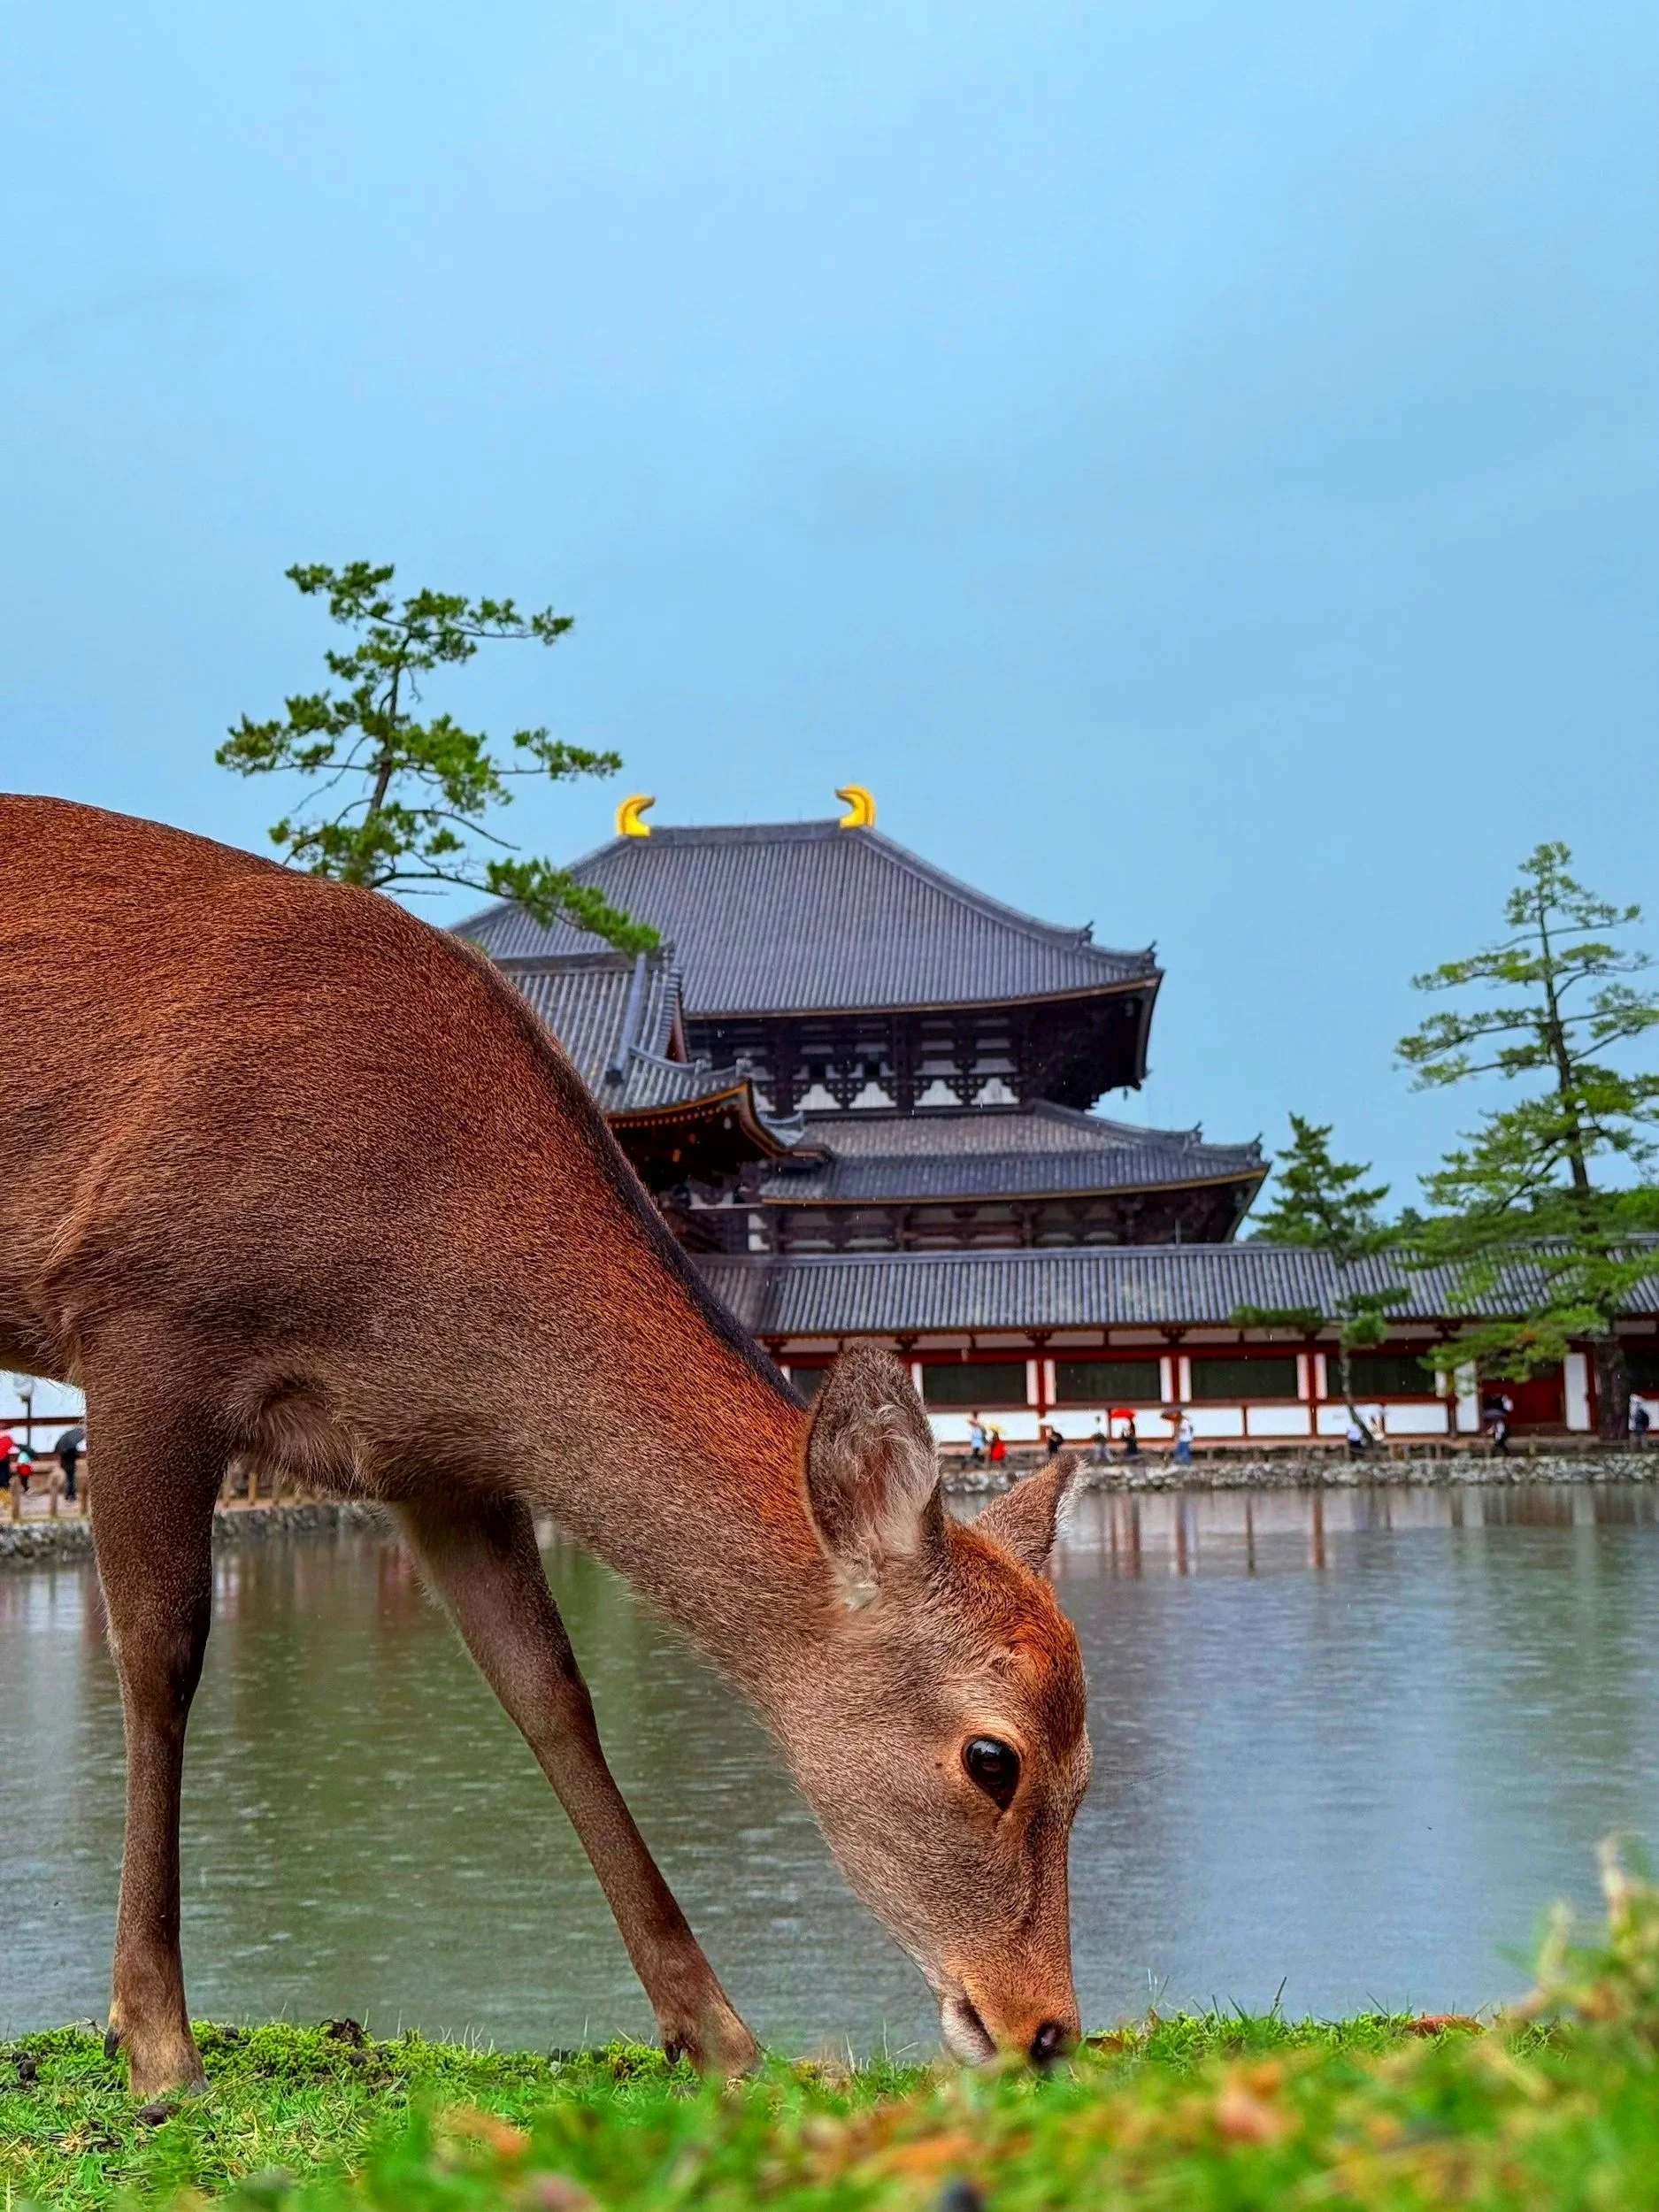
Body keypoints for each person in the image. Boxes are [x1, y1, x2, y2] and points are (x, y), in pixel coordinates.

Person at [56, 1423, 86, 1502]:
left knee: (69, 1479)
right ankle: (71, 1496)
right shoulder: (71, 1447)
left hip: (65, 1465)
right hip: (70, 1465)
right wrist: (77, 1454)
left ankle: (69, 1495)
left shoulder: (63, 1448)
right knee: (71, 1480)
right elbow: (75, 1455)